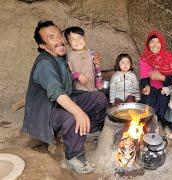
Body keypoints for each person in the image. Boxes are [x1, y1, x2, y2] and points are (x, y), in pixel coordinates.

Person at [22, 20, 108, 174]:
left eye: (59, 35)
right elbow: (56, 92)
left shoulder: (61, 57)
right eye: (51, 37)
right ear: (43, 46)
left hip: (65, 99)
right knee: (73, 117)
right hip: (47, 109)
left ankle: (90, 130)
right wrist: (78, 112)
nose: (59, 40)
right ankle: (73, 156)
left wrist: (95, 62)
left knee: (99, 98)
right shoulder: (44, 64)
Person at [139, 30, 172, 134]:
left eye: (158, 42)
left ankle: (166, 123)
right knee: (148, 97)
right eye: (152, 42)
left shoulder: (169, 57)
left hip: (166, 88)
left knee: (164, 98)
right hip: (152, 87)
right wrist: (146, 86)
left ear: (162, 44)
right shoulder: (144, 58)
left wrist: (162, 77)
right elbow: (143, 77)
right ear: (148, 44)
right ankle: (152, 120)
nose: (155, 45)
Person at [64, 26, 103, 91]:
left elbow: (97, 68)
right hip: (78, 90)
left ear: (85, 38)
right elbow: (66, 73)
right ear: (68, 43)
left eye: (80, 37)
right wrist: (77, 75)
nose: (77, 41)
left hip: (92, 87)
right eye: (73, 39)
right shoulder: (69, 56)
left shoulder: (92, 53)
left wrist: (98, 81)